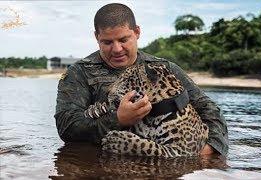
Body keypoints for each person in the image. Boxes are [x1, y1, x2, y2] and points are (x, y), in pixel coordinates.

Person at [55, 3, 228, 157]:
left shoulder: (163, 69)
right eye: (107, 42)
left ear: (137, 32)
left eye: (123, 39)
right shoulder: (79, 72)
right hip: (97, 164)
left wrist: (208, 150)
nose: (116, 49)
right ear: (96, 37)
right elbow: (67, 127)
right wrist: (118, 120)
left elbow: (210, 110)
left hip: (163, 158)